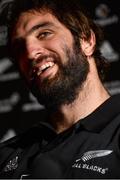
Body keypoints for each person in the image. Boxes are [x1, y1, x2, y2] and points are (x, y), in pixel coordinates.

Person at [0, 0, 120, 178]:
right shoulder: (6, 154)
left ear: (86, 40)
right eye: (19, 48)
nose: (30, 53)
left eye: (44, 34)